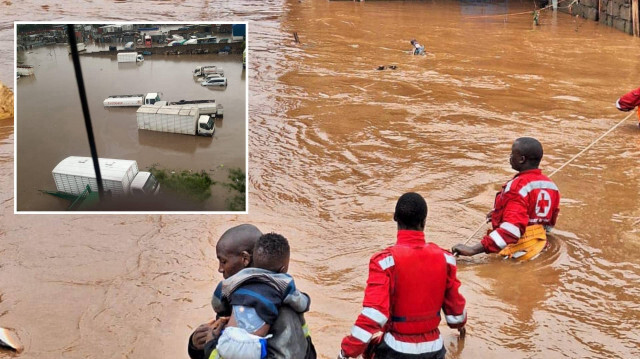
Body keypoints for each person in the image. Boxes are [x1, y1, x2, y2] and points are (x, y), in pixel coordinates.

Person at [338, 192, 467, 359]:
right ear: (424, 221)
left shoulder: (384, 262)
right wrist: (460, 325)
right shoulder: (446, 259)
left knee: (370, 349)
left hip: (395, 351)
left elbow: (374, 315)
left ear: (395, 218)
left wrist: (346, 352)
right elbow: (456, 316)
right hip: (435, 350)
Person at [188, 226, 315, 359]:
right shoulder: (235, 298)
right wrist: (196, 345)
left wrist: (211, 346)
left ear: (245, 259)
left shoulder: (282, 311)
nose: (220, 269)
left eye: (223, 261)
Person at [452, 137, 560, 260]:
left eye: (512, 154)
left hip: (519, 252)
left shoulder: (517, 187)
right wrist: (500, 213)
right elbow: (549, 223)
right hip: (541, 246)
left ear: (521, 159)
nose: (510, 157)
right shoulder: (551, 186)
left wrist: (473, 250)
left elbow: (512, 231)